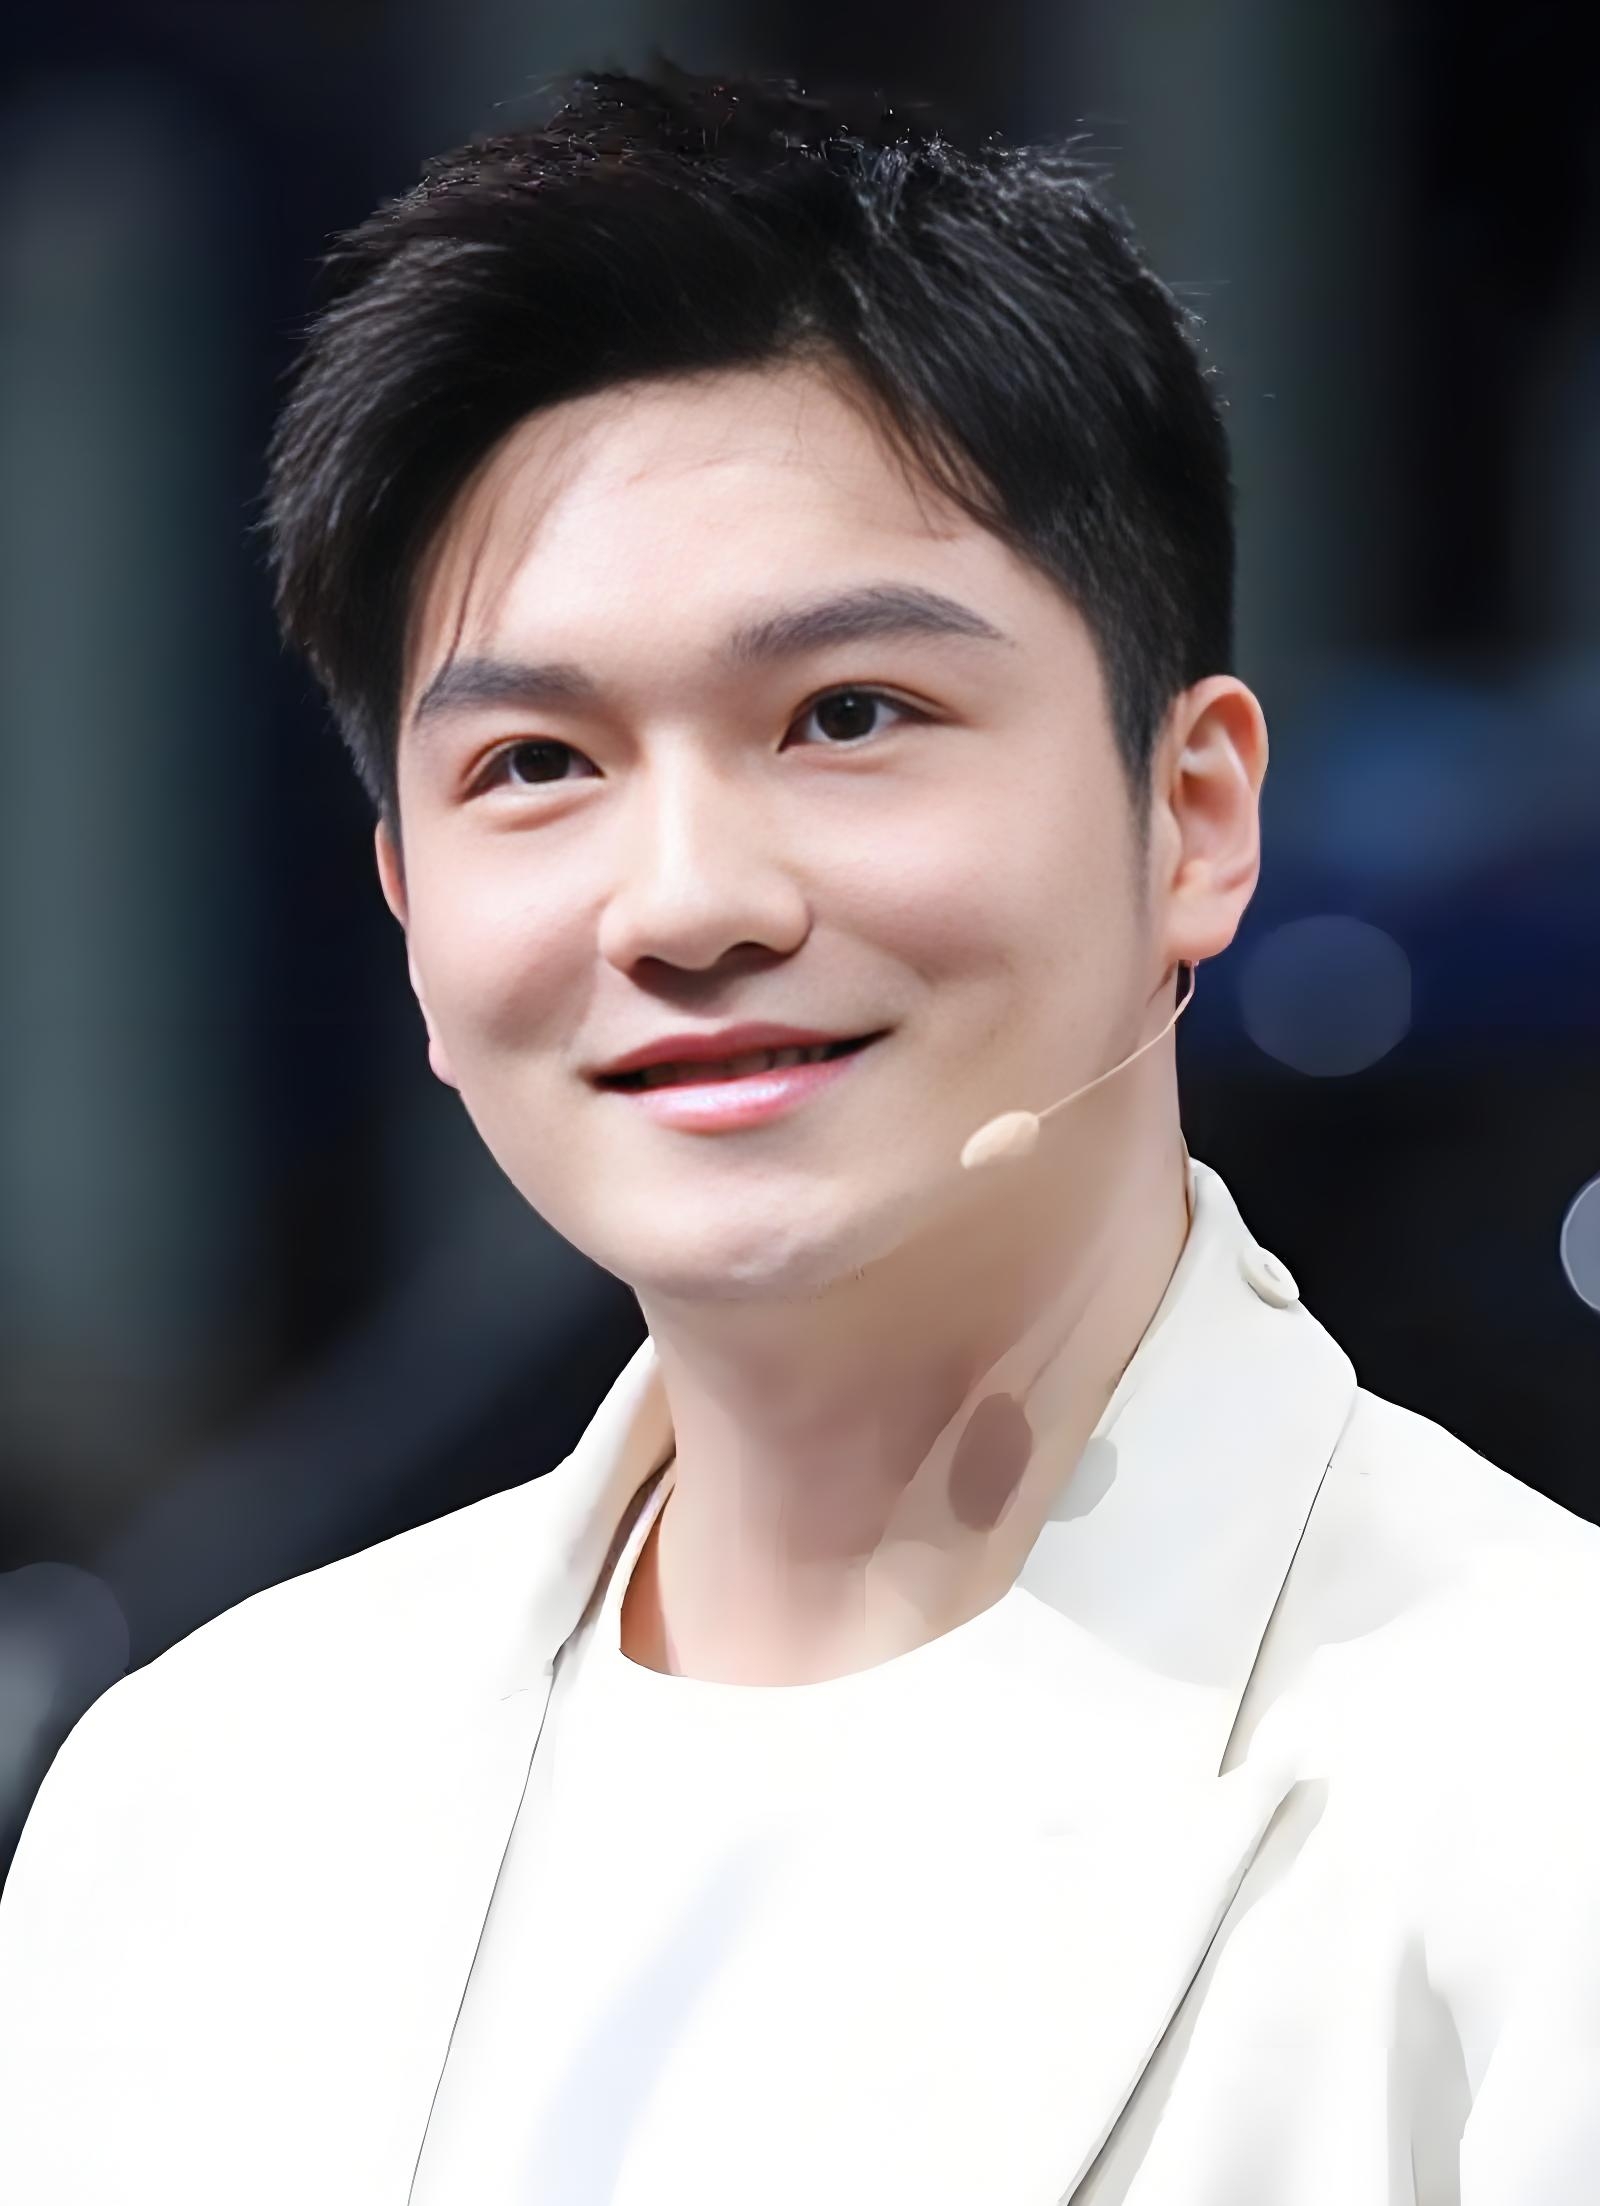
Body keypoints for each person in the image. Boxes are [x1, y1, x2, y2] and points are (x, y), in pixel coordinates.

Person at [1, 59, 1596, 2206]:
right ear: (408, 914)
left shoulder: (1529, 1776)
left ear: (1192, 814)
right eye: (534, 764)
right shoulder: (194, 1802)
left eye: (848, 715)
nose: (683, 902)